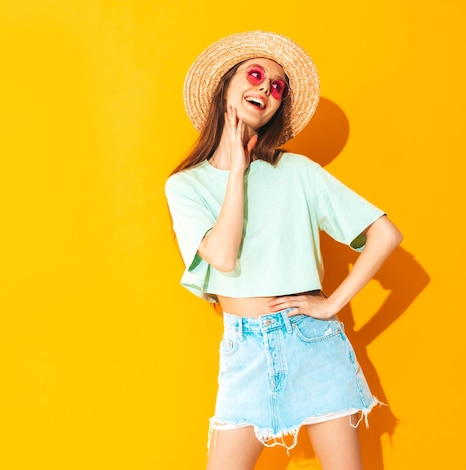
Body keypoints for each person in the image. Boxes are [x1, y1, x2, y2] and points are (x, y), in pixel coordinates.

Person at [164, 30, 403, 470]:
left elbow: (386, 235)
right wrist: (237, 170)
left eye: (277, 86)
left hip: (313, 343)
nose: (266, 89)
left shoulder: (295, 171)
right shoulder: (186, 185)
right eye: (255, 75)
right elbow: (222, 256)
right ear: (225, 87)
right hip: (245, 348)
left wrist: (332, 305)